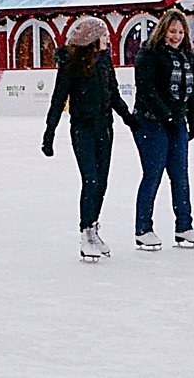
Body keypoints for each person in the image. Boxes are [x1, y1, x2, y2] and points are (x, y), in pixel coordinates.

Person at [42, 17, 137, 262]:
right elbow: (58, 99)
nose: (108, 39)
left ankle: (94, 228)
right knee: (91, 180)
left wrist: (129, 119)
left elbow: (113, 94)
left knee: (102, 183)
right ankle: (85, 233)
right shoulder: (71, 64)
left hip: (105, 129)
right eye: (104, 35)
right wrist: (49, 132)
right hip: (82, 129)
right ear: (92, 38)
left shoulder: (105, 61)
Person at [131, 10, 194, 251]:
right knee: (153, 173)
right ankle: (143, 229)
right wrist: (167, 115)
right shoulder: (148, 54)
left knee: (180, 175)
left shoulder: (186, 55)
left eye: (181, 32)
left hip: (177, 122)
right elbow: (147, 89)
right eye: (172, 31)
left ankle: (184, 226)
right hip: (150, 122)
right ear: (163, 31)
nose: (176, 36)